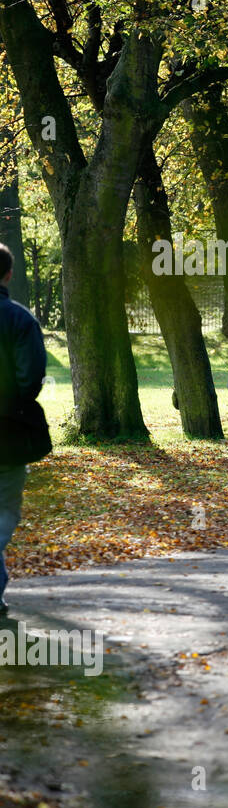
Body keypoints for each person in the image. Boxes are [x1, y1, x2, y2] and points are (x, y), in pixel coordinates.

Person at [0, 242, 47, 617]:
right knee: (5, 508)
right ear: (9, 274)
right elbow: (30, 377)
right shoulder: (19, 319)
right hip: (7, 432)